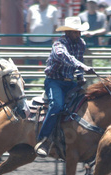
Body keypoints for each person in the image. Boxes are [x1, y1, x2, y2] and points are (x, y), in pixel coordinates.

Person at [34, 16, 96, 157]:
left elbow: (79, 60)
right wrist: (82, 67)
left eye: (79, 31)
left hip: (70, 83)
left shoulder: (81, 43)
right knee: (56, 106)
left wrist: (80, 77)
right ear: (67, 32)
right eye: (75, 32)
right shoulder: (58, 44)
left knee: (87, 102)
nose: (78, 34)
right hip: (54, 81)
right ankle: (44, 139)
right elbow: (65, 56)